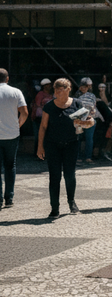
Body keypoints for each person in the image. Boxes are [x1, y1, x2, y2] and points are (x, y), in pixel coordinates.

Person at [37, 78, 93, 218]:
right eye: (56, 90)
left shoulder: (77, 103)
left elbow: (89, 120)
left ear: (68, 90)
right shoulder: (49, 106)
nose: (57, 93)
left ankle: (71, 202)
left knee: (70, 174)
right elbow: (43, 126)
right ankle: (54, 207)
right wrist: (40, 146)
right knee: (54, 176)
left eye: (61, 90)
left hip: (71, 144)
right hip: (52, 145)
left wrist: (87, 122)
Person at [0, 69, 28, 209]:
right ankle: (9, 198)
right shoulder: (16, 92)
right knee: (10, 166)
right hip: (12, 134)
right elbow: (24, 112)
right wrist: (17, 125)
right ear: (7, 78)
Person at [75, 78, 99, 164]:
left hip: (89, 119)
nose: (83, 88)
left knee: (89, 139)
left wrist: (91, 115)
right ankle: (77, 157)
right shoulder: (76, 96)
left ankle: (88, 157)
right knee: (78, 139)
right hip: (79, 120)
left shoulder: (92, 96)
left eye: (85, 87)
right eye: (82, 86)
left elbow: (94, 106)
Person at [32, 78, 54, 153]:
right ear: (44, 86)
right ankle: (37, 153)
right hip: (39, 117)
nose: (49, 86)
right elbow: (38, 105)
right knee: (39, 136)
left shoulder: (51, 95)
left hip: (47, 117)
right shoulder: (40, 94)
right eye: (47, 85)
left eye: (50, 85)